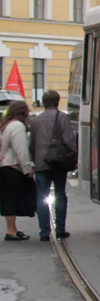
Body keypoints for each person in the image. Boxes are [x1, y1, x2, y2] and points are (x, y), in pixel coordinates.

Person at [30, 90, 74, 242]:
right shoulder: (62, 117)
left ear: (43, 102)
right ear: (58, 101)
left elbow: (32, 144)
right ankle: (60, 229)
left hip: (41, 163)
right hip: (58, 162)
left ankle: (44, 232)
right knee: (60, 194)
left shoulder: (35, 121)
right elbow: (68, 139)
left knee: (41, 196)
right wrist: (73, 155)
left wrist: (34, 160)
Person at [0, 100, 37, 241]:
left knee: (10, 198)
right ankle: (10, 231)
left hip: (7, 167)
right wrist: (27, 168)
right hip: (12, 168)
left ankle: (13, 229)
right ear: (23, 111)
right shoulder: (17, 126)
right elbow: (20, 149)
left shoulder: (8, 125)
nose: (29, 112)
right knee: (11, 199)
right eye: (28, 109)